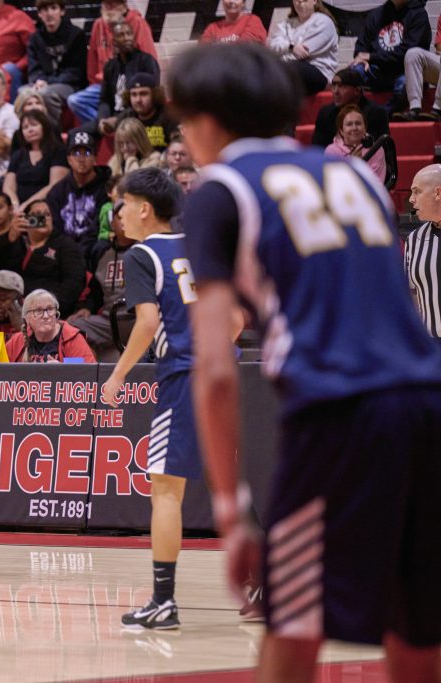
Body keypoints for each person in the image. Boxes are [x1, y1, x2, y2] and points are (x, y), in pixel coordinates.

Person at [174, 42, 441, 680]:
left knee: (293, 623)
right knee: (419, 629)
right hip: (427, 401)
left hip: (339, 415)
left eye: (183, 122)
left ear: (209, 119)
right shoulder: (354, 177)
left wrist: (234, 514)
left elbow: (213, 367)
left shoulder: (221, 188)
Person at [96, 168, 201, 631]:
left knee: (164, 490)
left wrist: (117, 376)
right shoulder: (198, 247)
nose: (116, 214)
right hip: (223, 372)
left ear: (143, 208)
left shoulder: (143, 254)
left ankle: (163, 601)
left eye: (121, 205)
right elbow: (236, 318)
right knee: (232, 488)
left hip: (181, 375)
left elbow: (146, 324)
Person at [0, 197, 86, 317]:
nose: (43, 218)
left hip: (45, 311)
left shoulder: (65, 245)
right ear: (25, 219)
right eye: (36, 215)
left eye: (47, 214)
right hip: (8, 308)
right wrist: (9, 237)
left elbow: (73, 283)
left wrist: (50, 307)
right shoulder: (16, 241)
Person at [68, 196, 137, 361]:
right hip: (108, 320)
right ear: (112, 223)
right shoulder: (101, 253)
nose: (123, 221)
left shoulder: (147, 250)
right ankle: (80, 378)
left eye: (128, 216)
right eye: (119, 217)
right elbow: (95, 291)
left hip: (137, 319)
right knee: (70, 328)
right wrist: (87, 308)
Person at [72, 0, 158, 125]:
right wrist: (96, 85)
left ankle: (117, 125)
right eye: (106, 4)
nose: (109, 8)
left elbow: (150, 64)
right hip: (105, 86)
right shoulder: (98, 25)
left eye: (114, 4)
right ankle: (104, 125)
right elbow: (92, 62)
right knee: (75, 101)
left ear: (123, 7)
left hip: (131, 87)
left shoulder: (138, 23)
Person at [47, 129, 111, 268]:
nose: (81, 159)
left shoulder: (105, 189)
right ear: (69, 159)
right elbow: (54, 227)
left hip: (91, 248)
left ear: (95, 158)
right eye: (76, 153)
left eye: (87, 153)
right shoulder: (57, 192)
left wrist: (79, 252)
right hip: (64, 248)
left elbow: (99, 226)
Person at [352, 0, 430, 106]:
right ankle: (353, 115)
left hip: (405, 71)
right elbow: (361, 47)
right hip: (378, 70)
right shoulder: (376, 15)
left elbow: (407, 54)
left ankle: (384, 115)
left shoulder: (419, 15)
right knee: (352, 73)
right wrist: (361, 59)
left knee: (406, 82)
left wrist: (371, 57)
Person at [27, 0, 88, 123]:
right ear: (39, 14)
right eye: (44, 10)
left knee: (45, 94)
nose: (49, 14)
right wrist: (38, 81)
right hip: (43, 83)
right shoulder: (35, 38)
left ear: (62, 11)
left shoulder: (76, 34)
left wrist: (47, 82)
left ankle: (52, 135)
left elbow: (76, 72)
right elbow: (33, 69)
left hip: (70, 85)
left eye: (53, 8)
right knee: (23, 93)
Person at [266, 0, 338, 96]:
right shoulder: (287, 23)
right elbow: (272, 46)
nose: (300, 2)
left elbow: (303, 54)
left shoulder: (323, 22)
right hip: (292, 68)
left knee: (287, 68)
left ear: (314, 1)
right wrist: (291, 47)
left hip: (319, 72)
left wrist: (281, 55)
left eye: (304, 0)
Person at [3, 110, 69, 211]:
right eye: (25, 127)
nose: (30, 130)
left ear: (44, 126)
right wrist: (15, 204)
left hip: (47, 206)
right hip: (19, 208)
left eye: (34, 125)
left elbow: (54, 185)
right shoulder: (18, 155)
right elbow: (8, 187)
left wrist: (26, 205)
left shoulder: (58, 151)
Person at [6, 288, 95, 362]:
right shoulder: (18, 341)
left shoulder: (72, 339)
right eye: (38, 311)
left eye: (50, 309)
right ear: (27, 318)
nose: (46, 316)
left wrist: (62, 370)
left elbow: (86, 374)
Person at [405, 164, 441, 339]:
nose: (411, 199)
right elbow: (413, 294)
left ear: (438, 193)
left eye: (417, 191)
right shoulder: (414, 239)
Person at [313, 67, 390, 144]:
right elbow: (317, 149)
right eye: (333, 85)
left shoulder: (376, 113)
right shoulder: (326, 113)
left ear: (357, 90)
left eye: (342, 86)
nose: (335, 91)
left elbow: (382, 147)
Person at [113, 73, 178, 152]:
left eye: (143, 94)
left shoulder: (169, 116)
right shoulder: (124, 118)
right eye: (134, 94)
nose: (138, 100)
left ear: (155, 95)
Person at [325, 105, 386, 181]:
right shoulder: (331, 151)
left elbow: (376, 185)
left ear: (365, 128)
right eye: (349, 124)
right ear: (341, 131)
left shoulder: (376, 150)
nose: (354, 128)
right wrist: (352, 164)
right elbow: (333, 183)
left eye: (358, 123)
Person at [200, 0, 267, 44]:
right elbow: (204, 51)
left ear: (243, 3)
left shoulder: (252, 21)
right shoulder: (212, 28)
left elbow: (245, 47)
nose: (231, 1)